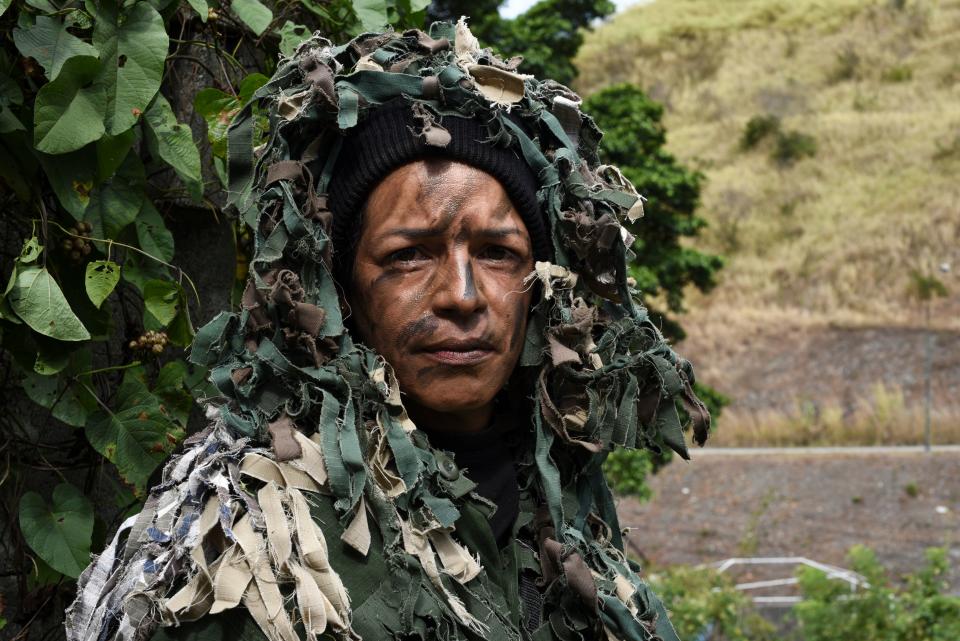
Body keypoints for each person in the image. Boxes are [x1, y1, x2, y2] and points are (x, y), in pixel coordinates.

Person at [66, 20, 710, 641]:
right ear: (337, 289)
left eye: (497, 253)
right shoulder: (258, 541)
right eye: (409, 255)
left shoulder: (565, 505)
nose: (461, 296)